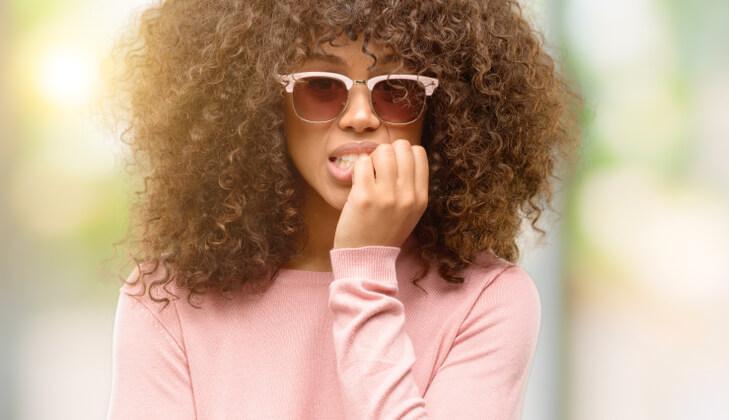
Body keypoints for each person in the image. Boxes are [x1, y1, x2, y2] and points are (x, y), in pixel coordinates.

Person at [104, 0, 578, 419]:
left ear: (445, 110)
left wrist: (363, 270)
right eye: (321, 86)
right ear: (262, 102)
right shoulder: (167, 300)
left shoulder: (488, 300)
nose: (359, 116)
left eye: (396, 90)